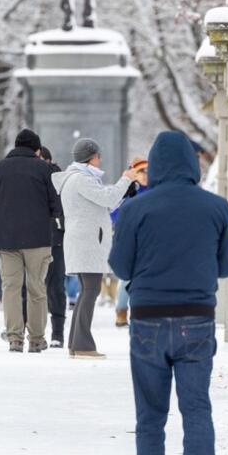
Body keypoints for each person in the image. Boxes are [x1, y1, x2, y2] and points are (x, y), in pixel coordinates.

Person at [109, 131, 228, 455]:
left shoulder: (136, 210)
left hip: (148, 318)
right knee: (196, 407)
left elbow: (120, 267)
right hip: (196, 318)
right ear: (192, 164)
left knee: (150, 412)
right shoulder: (216, 207)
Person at [52, 138, 137, 359]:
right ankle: (82, 345)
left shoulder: (78, 178)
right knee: (90, 291)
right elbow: (107, 197)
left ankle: (76, 343)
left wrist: (124, 191)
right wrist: (125, 179)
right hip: (87, 241)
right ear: (91, 157)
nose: (101, 160)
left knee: (87, 291)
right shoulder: (81, 179)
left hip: (85, 240)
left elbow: (104, 203)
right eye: (99, 156)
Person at [0, 128, 63, 353]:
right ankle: (37, 338)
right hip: (38, 237)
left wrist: (6, 215)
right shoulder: (45, 170)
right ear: (37, 149)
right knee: (36, 288)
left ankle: (14, 338)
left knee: (10, 287)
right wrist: (42, 215)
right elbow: (56, 206)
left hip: (6, 237)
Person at [111, 157, 150, 327]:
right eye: (140, 172)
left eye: (147, 171)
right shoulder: (126, 191)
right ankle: (121, 310)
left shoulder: (156, 190)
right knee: (126, 278)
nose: (144, 175)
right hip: (129, 239)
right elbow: (113, 214)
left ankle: (140, 310)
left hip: (149, 240)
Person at [40, 146, 68, 348]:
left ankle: (57, 332)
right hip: (33, 238)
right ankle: (32, 330)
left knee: (55, 287)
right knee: (31, 287)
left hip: (55, 238)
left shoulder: (59, 180)